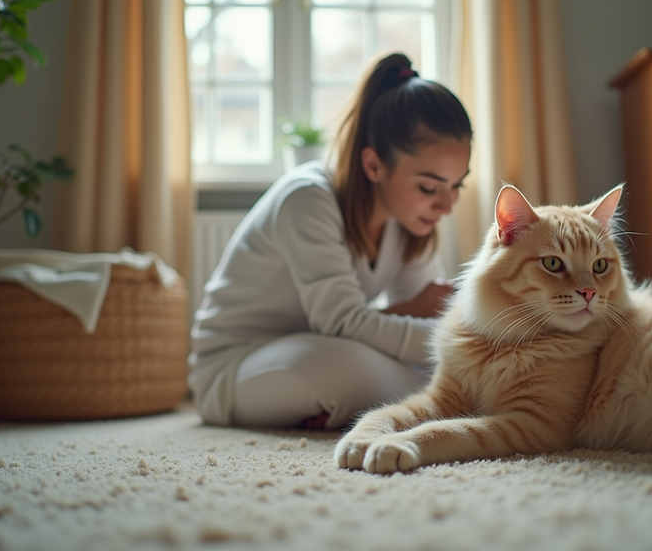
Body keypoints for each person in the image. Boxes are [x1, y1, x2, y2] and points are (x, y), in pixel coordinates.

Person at [189, 52, 473, 431]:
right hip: (234, 365)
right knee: (351, 369)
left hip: (319, 340)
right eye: (429, 187)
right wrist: (464, 342)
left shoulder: (410, 221)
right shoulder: (307, 197)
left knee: (409, 366)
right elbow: (341, 322)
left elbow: (399, 320)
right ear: (374, 165)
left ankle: (411, 401)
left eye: (457, 186)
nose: (446, 205)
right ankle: (446, 398)